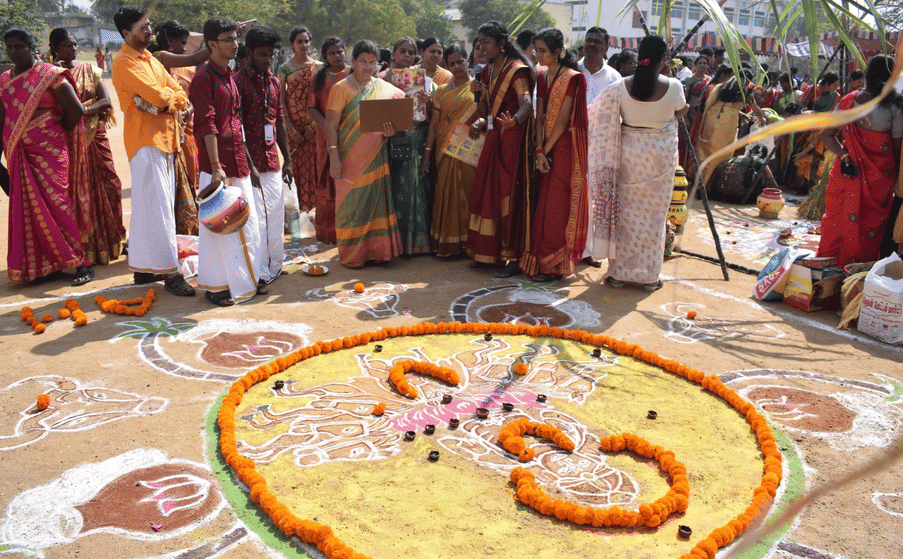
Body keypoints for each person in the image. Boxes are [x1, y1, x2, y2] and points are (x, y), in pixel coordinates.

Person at [586, 34, 687, 291]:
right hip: (659, 159)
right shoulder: (674, 86)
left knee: (626, 215)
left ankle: (618, 274)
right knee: (654, 218)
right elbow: (680, 110)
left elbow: (598, 112)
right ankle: (649, 277)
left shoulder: (621, 86)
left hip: (628, 155)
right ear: (663, 59)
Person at [111, 6, 194, 296]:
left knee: (149, 209)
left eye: (149, 26)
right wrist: (167, 100)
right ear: (126, 33)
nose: (150, 31)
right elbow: (159, 95)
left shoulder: (150, 60)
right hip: (146, 142)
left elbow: (177, 93)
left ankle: (145, 269)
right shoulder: (124, 61)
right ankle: (171, 274)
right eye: (143, 27)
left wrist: (167, 101)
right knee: (159, 210)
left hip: (165, 140)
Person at [1, 27, 92, 285]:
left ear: (32, 48)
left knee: (58, 204)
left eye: (19, 46)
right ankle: (46, 265)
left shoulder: (51, 76)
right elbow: (2, 121)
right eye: (10, 47)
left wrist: (50, 133)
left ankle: (81, 263)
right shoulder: (5, 81)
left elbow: (75, 111)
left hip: (50, 151)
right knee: (27, 209)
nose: (14, 51)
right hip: (18, 152)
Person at [190, 16, 266, 306]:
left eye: (236, 38)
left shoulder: (229, 77)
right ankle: (219, 286)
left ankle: (246, 278)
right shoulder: (203, 79)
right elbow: (207, 124)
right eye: (228, 39)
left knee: (247, 224)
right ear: (211, 44)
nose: (235, 44)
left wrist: (248, 161)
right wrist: (217, 166)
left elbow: (236, 122)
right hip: (219, 166)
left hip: (238, 161)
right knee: (220, 227)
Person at [49, 28, 126, 267]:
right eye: (66, 44)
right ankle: (83, 248)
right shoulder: (50, 76)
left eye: (74, 44)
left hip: (95, 138)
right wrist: (81, 111)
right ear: (54, 49)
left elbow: (106, 101)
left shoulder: (90, 70)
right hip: (68, 141)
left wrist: (83, 110)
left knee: (111, 185)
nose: (72, 48)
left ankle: (113, 240)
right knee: (75, 195)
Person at [464, 20, 535, 277]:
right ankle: (488, 254)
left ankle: (513, 257)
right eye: (479, 43)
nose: (481, 48)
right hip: (494, 137)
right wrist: (478, 106)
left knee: (509, 195)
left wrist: (514, 121)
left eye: (487, 43)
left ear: (502, 45)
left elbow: (526, 103)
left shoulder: (517, 70)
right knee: (487, 192)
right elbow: (485, 111)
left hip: (513, 139)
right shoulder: (486, 71)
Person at [325, 39, 404, 268]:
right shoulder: (340, 89)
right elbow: (330, 125)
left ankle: (379, 251)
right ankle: (353, 255)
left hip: (376, 155)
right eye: (362, 62)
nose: (367, 67)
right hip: (348, 158)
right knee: (351, 206)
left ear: (378, 64)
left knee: (375, 203)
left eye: (372, 62)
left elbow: (397, 118)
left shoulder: (385, 89)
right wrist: (334, 158)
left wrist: (392, 130)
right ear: (353, 62)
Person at [818, 55, 902, 267]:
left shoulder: (847, 101)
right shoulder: (895, 108)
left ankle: (828, 271)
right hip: (878, 181)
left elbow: (827, 135)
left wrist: (844, 155)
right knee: (868, 227)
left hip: (846, 172)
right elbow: (897, 150)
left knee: (835, 221)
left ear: (868, 75)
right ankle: (855, 275)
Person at [519, 28, 588, 282]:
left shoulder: (572, 78)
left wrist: (544, 151)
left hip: (563, 147)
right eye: (536, 50)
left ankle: (555, 265)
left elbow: (562, 121)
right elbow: (539, 115)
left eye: (543, 51)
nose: (538, 55)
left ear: (558, 52)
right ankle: (545, 263)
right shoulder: (542, 76)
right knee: (543, 203)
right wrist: (538, 148)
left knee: (557, 207)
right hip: (544, 146)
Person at [235, 25, 293, 285]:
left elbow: (278, 121)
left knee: (275, 214)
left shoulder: (274, 82)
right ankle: (257, 272)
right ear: (248, 53)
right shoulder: (236, 83)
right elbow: (236, 129)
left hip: (271, 161)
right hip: (248, 166)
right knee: (255, 220)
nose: (267, 60)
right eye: (262, 55)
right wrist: (251, 165)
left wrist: (288, 160)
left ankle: (275, 266)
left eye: (270, 55)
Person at [148, 20, 212, 235]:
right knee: (172, 183)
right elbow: (195, 57)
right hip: (165, 131)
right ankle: (175, 231)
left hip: (186, 129)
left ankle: (188, 228)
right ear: (170, 41)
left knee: (190, 178)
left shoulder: (184, 69)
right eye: (182, 43)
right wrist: (218, 42)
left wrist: (187, 113)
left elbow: (190, 99)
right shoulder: (157, 60)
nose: (185, 47)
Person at [382, 36, 435, 255]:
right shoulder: (381, 81)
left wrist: (428, 102)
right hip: (390, 138)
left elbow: (434, 118)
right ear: (393, 54)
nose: (406, 56)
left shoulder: (426, 81)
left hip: (417, 139)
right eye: (402, 51)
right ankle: (397, 242)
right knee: (395, 186)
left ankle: (418, 242)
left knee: (417, 184)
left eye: (411, 52)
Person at [421, 44, 476, 257]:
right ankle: (450, 243)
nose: (457, 66)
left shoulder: (479, 89)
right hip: (445, 151)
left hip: (469, 152)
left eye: (460, 61)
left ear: (467, 61)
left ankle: (470, 244)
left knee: (468, 195)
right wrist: (427, 155)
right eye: (452, 63)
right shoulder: (442, 92)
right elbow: (433, 126)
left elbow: (486, 114)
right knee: (446, 195)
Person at [578, 27, 620, 267]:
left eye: (597, 41)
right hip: (572, 141)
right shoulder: (572, 70)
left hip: (601, 146)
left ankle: (591, 250)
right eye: (588, 40)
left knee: (595, 196)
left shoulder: (613, 78)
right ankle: (572, 247)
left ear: (606, 47)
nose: (592, 44)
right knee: (574, 193)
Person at [307, 37, 350, 244]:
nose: (336, 56)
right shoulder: (319, 77)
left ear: (345, 52)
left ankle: (350, 232)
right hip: (326, 137)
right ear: (325, 56)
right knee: (327, 182)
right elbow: (311, 107)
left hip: (352, 135)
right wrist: (328, 126)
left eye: (340, 51)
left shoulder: (353, 74)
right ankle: (329, 233)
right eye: (332, 53)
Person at [278, 27, 322, 212]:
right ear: (292, 44)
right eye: (299, 42)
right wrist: (291, 130)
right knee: (294, 172)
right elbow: (281, 102)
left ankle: (316, 217)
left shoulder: (319, 67)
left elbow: (321, 99)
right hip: (293, 130)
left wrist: (313, 126)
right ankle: (296, 215)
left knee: (316, 170)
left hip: (314, 128)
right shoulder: (285, 69)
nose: (303, 45)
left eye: (306, 41)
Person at [695, 74, 766, 186]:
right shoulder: (745, 92)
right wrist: (762, 119)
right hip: (727, 125)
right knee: (721, 154)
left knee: (707, 152)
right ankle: (709, 185)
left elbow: (721, 106)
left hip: (711, 120)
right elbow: (756, 110)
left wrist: (743, 115)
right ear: (747, 82)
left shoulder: (720, 87)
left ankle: (699, 182)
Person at [787, 72, 840, 194]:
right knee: (797, 154)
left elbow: (832, 114)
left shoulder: (835, 96)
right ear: (826, 84)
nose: (835, 88)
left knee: (814, 160)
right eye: (834, 85)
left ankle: (810, 187)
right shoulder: (812, 90)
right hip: (807, 127)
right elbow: (802, 106)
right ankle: (793, 183)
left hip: (822, 130)